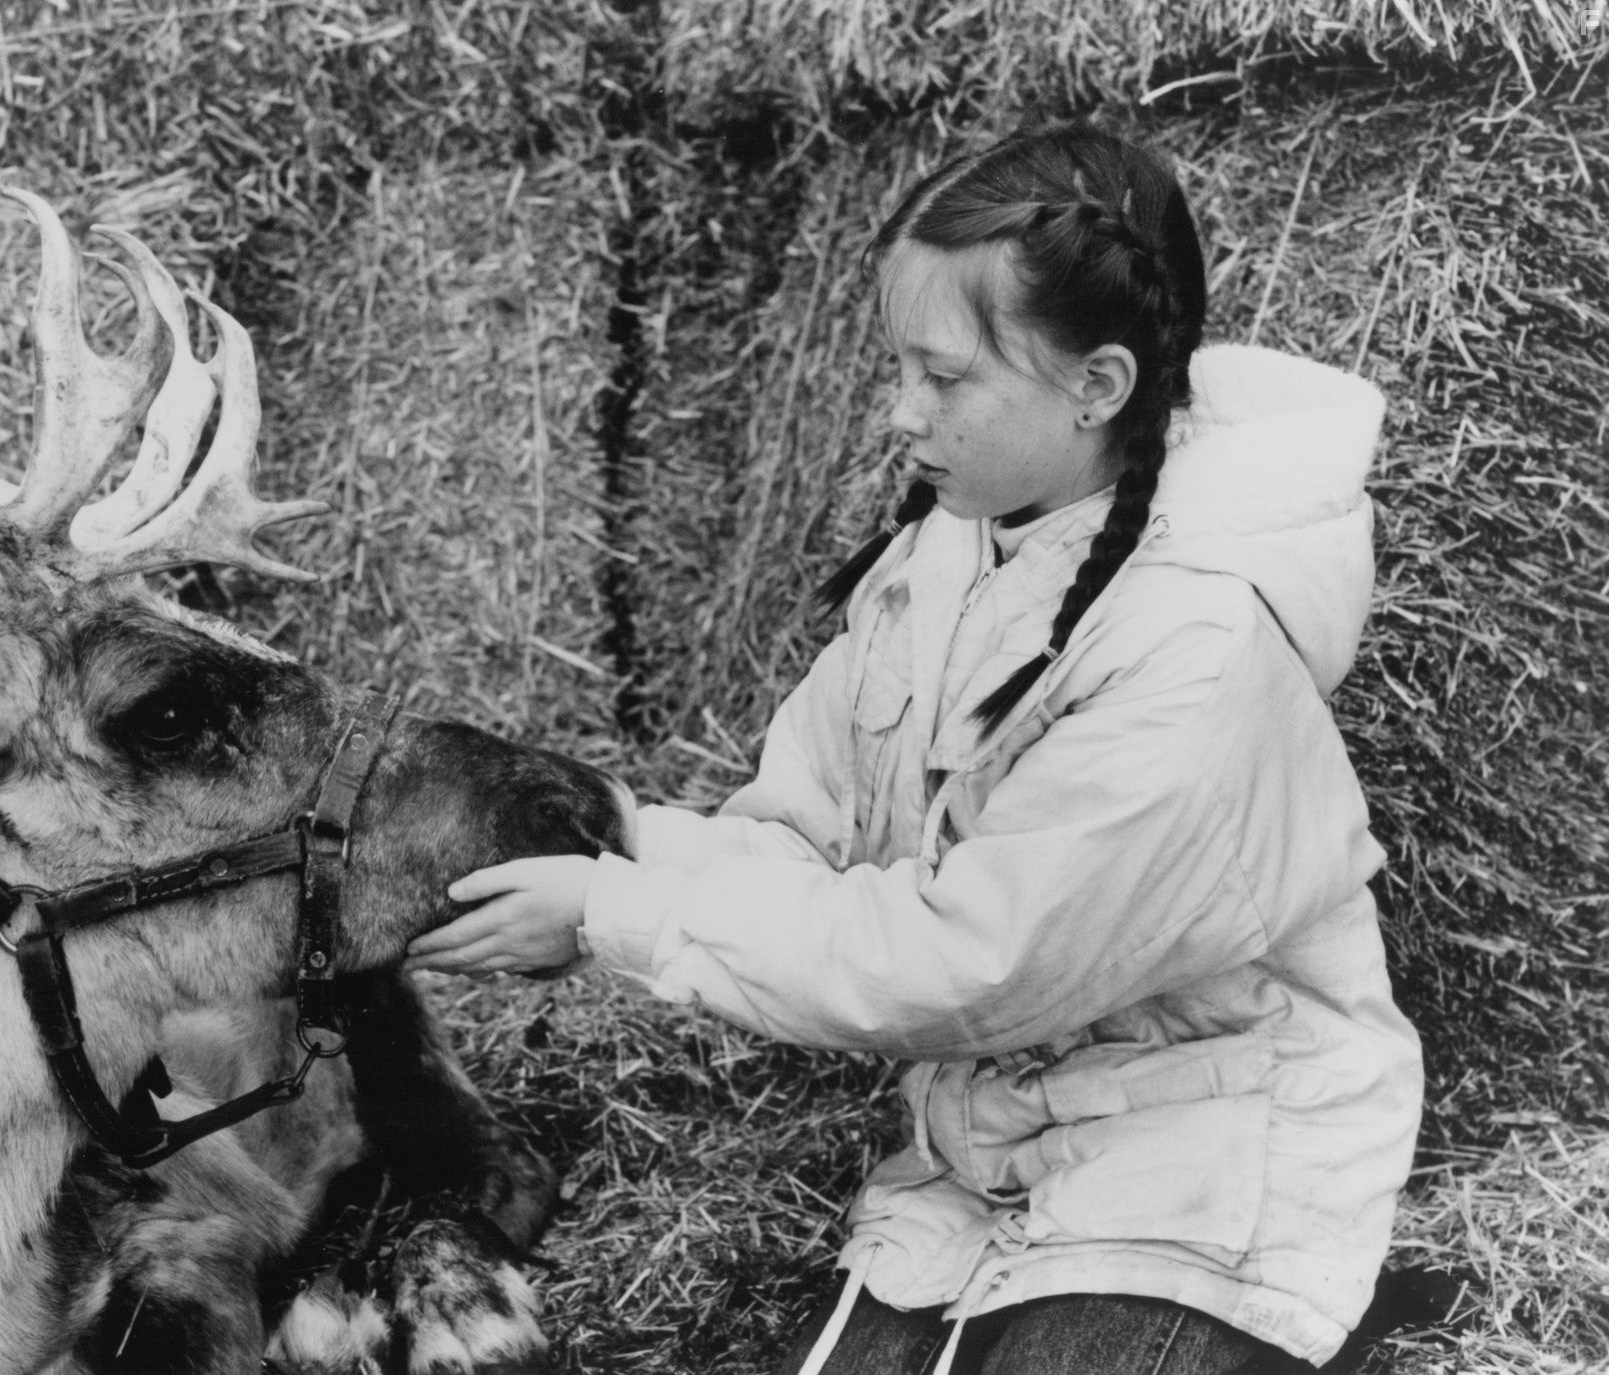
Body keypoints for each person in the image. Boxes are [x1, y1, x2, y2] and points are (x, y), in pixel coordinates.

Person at [406, 121, 1422, 1375]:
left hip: (1202, 1165)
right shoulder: (946, 554)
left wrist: (617, 917)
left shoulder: (1193, 645)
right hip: (984, 1150)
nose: (898, 414)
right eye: (897, 368)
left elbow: (965, 962)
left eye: (941, 379)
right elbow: (801, 838)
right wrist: (605, 838)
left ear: (1095, 387)